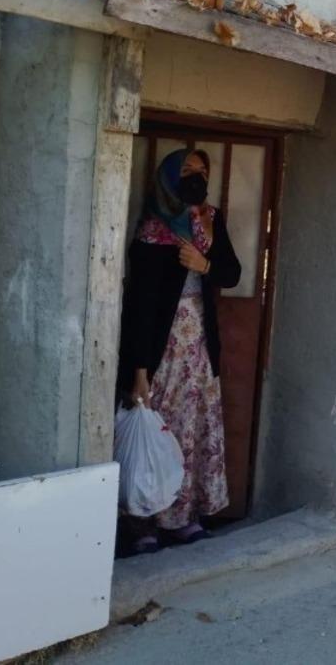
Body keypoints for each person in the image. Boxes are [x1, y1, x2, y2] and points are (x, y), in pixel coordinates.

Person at [117, 148, 242, 555]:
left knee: (192, 430)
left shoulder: (211, 220)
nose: (195, 177)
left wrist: (203, 264)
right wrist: (138, 368)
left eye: (201, 171)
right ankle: (142, 523)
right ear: (169, 176)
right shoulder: (154, 226)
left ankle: (181, 517)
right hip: (161, 349)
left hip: (199, 346)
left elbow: (233, 272)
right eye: (186, 170)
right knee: (155, 430)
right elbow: (140, 303)